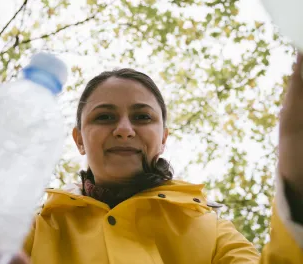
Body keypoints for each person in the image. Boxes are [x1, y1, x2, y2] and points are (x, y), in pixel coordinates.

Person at [21, 56, 303, 264]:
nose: (124, 130)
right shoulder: (35, 227)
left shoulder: (210, 227)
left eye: (142, 117)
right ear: (79, 139)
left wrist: (297, 190)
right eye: (104, 116)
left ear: (163, 138)